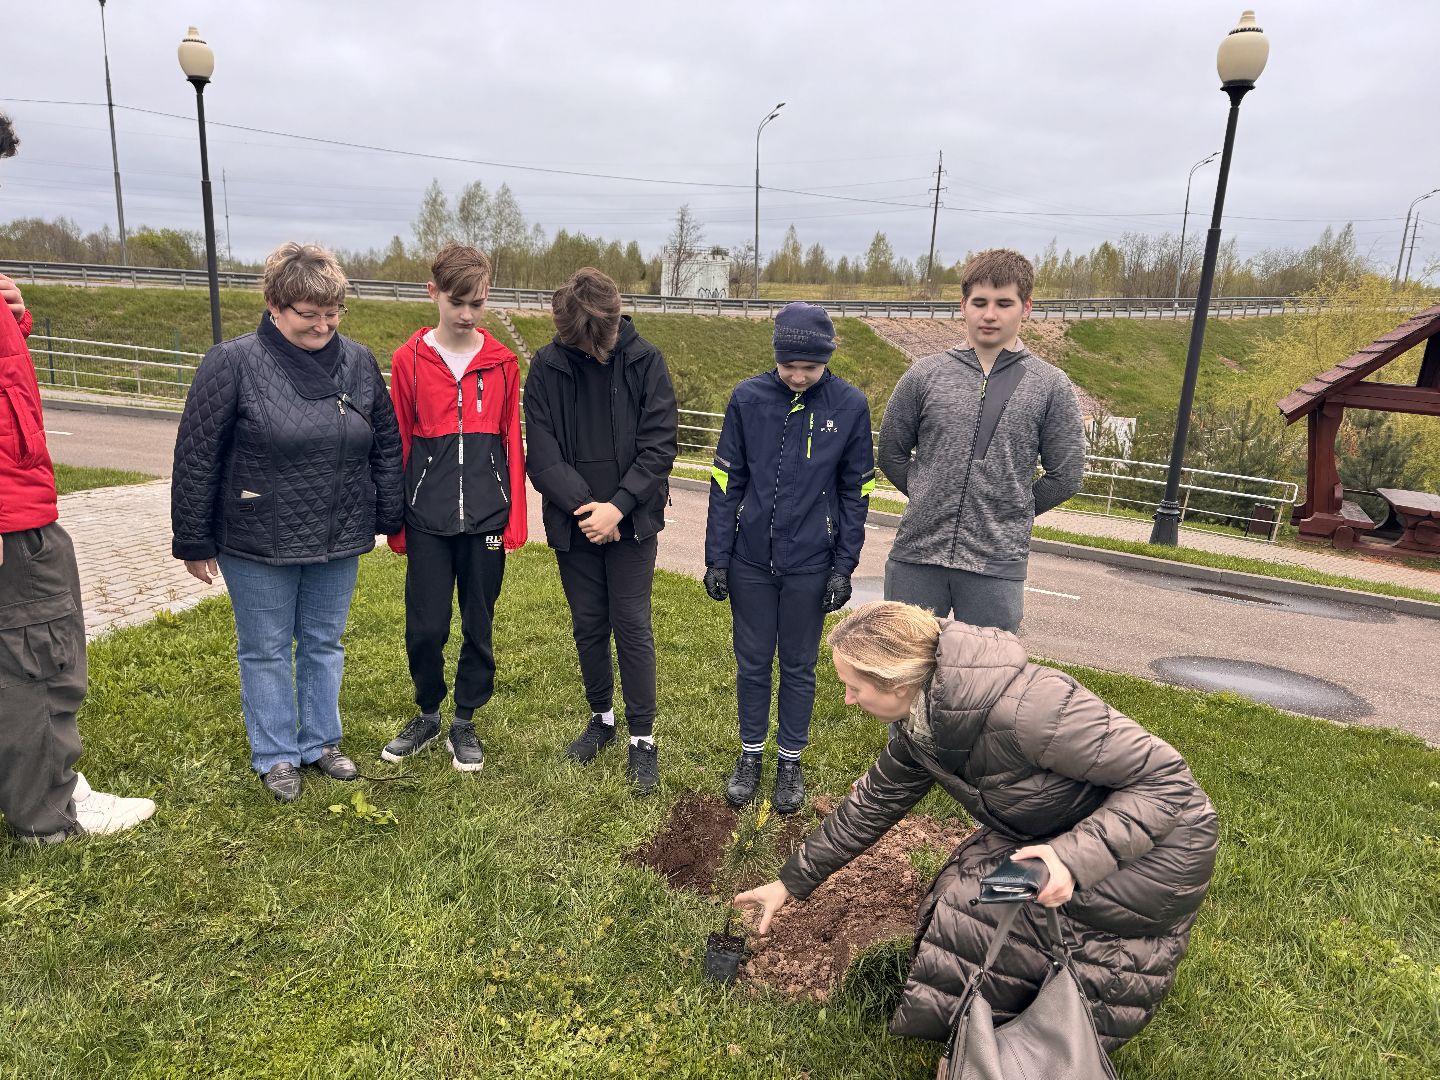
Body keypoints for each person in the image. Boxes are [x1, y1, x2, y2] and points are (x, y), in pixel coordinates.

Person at [735, 600, 1218, 1060]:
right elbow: (873, 803)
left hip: (1156, 853)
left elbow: (1167, 781)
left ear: (897, 683)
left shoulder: (1030, 709)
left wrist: (1072, 858)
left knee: (977, 910)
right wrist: (789, 883)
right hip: (1060, 828)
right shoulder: (927, 721)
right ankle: (981, 1038)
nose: (847, 699)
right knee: (962, 891)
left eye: (854, 687)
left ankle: (1024, 1054)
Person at [171, 242, 403, 803]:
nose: (323, 324)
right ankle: (275, 752)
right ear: (275, 306)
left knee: (325, 641)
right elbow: (197, 454)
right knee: (267, 647)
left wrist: (390, 515)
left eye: (333, 313)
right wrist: (193, 538)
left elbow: (386, 443)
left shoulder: (359, 361)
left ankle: (321, 741)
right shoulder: (232, 362)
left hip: (339, 532)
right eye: (309, 314)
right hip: (255, 536)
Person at [0, 111, 156, 844]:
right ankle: (51, 814)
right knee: (37, 657)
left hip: (19, 498)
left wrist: (16, 326)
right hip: (11, 517)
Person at [703, 302, 874, 814]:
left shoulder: (849, 406)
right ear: (775, 357)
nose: (798, 376)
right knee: (753, 664)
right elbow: (724, 481)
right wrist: (718, 556)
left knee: (799, 667)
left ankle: (790, 761)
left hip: (811, 564)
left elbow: (856, 491)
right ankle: (750, 755)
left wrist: (844, 566)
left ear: (827, 361)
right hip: (751, 561)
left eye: (810, 368)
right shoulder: (748, 398)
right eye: (789, 366)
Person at [523, 268, 677, 795]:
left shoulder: (647, 361)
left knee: (631, 624)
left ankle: (642, 737)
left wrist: (619, 507)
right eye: (580, 344)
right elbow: (541, 455)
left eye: (598, 342)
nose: (592, 352)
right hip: (574, 526)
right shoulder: (544, 368)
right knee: (588, 622)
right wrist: (589, 511)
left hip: (633, 524)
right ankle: (602, 718)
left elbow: (660, 445)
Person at [876, 249, 1084, 633]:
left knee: (986, 680)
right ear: (963, 306)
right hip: (917, 556)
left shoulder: (1051, 385)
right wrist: (929, 496)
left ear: (1026, 307)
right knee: (902, 673)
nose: (990, 314)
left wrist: (1011, 513)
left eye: (1004, 303)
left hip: (996, 563)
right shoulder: (925, 375)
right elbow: (891, 453)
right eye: (980, 302)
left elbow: (1066, 475)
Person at [381, 243, 525, 772]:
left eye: (477, 304)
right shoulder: (407, 360)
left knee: (478, 622)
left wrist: (515, 518)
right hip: (426, 519)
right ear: (433, 294)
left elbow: (512, 442)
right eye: (457, 302)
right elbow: (397, 438)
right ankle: (428, 712)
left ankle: (464, 719)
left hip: (486, 518)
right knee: (426, 626)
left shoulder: (504, 363)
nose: (466, 315)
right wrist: (396, 521)